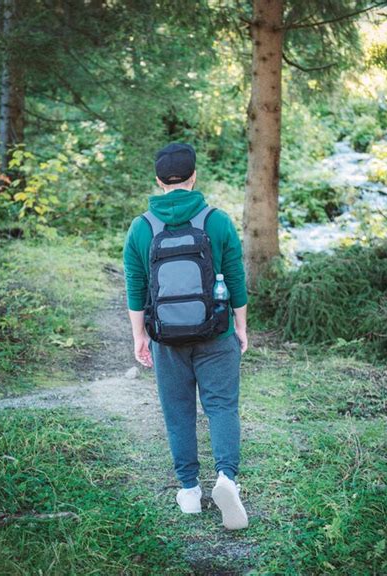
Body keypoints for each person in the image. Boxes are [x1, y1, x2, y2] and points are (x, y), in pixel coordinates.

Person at [122, 142, 249, 530]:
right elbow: (237, 276)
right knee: (221, 406)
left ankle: (190, 491)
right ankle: (226, 478)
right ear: (194, 176)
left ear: (158, 180)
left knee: (178, 411)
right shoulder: (217, 220)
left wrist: (139, 337)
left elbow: (136, 286)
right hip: (216, 330)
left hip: (165, 337)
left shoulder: (141, 227)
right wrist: (240, 327)